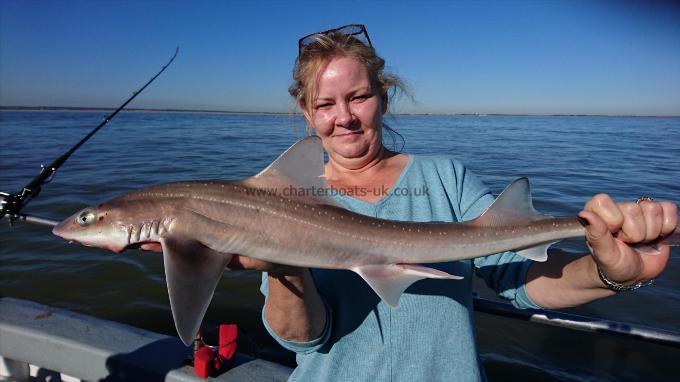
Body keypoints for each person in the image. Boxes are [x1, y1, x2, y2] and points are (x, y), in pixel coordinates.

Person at [149, 24, 677, 381]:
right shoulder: (277, 200)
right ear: (306, 113)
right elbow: (304, 340)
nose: (344, 118)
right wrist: (283, 264)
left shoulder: (444, 178)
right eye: (325, 105)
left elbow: (520, 281)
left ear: (384, 94)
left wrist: (613, 273)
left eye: (358, 97)